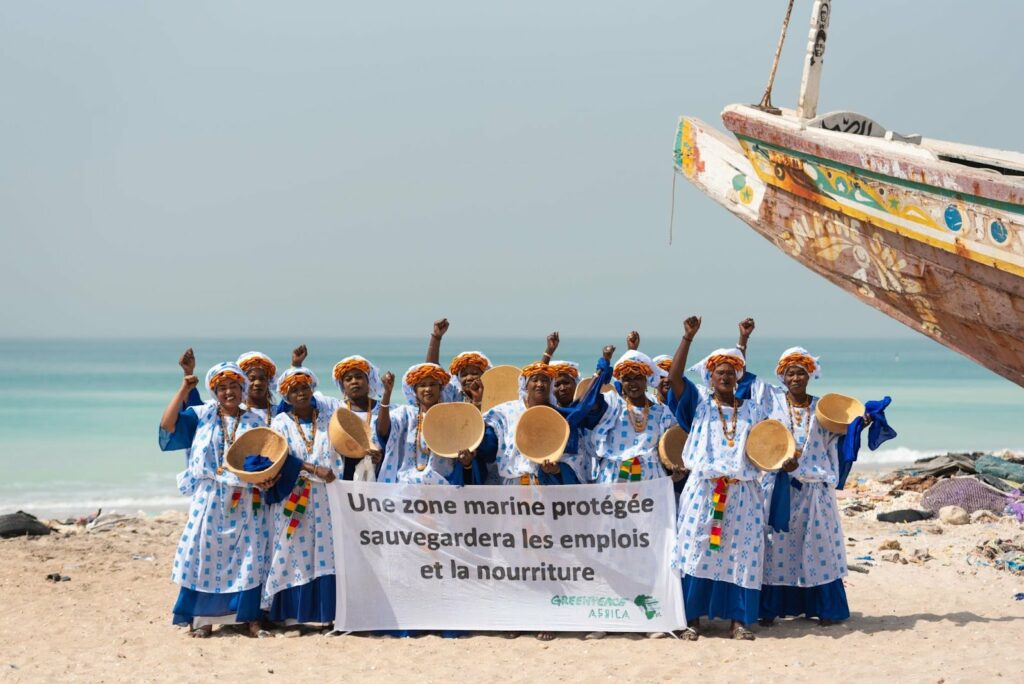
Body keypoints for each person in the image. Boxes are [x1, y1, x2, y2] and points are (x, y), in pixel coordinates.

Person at [667, 316, 770, 641]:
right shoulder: (699, 404)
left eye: (731, 373)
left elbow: (768, 446)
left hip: (743, 493)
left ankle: (738, 621)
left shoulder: (753, 410)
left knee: (742, 553)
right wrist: (687, 338)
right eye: (719, 373)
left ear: (739, 377)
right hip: (704, 490)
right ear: (710, 377)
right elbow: (673, 378)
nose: (725, 377)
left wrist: (743, 340)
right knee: (697, 549)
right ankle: (692, 618)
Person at [739, 331, 850, 626]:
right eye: (790, 373)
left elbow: (838, 440)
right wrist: (743, 340)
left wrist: (857, 426)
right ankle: (770, 609)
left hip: (815, 489)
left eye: (801, 373)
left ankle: (827, 609)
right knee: (776, 547)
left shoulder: (823, 409)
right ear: (782, 376)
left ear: (810, 375)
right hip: (779, 488)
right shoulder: (770, 401)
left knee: (818, 546)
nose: (796, 378)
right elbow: (739, 378)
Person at [158, 361, 273, 638]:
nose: (228, 392)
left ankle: (249, 619)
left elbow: (267, 457)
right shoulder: (201, 415)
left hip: (245, 498)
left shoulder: (254, 421)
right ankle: (203, 619)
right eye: (222, 388)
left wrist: (266, 478)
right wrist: (184, 387)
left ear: (242, 388)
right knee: (202, 554)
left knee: (249, 556)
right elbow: (167, 424)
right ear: (214, 392)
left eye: (234, 386)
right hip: (209, 497)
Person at [262, 367, 345, 627]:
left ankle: (325, 616)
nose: (300, 393)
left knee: (327, 551)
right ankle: (292, 618)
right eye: (293, 390)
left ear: (312, 390)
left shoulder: (330, 418)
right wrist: (310, 468)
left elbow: (344, 447)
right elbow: (279, 455)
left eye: (304, 388)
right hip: (294, 496)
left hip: (326, 496)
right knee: (292, 550)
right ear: (285, 396)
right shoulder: (280, 423)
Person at [376, 363, 481, 485]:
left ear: (440, 388)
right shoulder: (405, 414)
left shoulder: (452, 418)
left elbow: (471, 439)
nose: (428, 389)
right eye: (422, 385)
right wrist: (386, 395)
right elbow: (383, 431)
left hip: (442, 491)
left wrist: (466, 461)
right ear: (414, 390)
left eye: (432, 384)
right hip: (406, 488)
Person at [588, 348, 681, 483]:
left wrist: (674, 474)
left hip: (650, 483)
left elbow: (672, 446)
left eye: (638, 378)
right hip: (613, 480)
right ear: (621, 382)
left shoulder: (663, 413)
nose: (632, 383)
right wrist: (603, 364)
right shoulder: (612, 405)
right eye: (627, 379)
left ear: (646, 380)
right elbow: (588, 400)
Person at [425, 318, 490, 408]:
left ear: (485, 375)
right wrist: (436, 337)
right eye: (464, 375)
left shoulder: (495, 399)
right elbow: (431, 372)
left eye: (475, 373)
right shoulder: (454, 397)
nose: (469, 378)